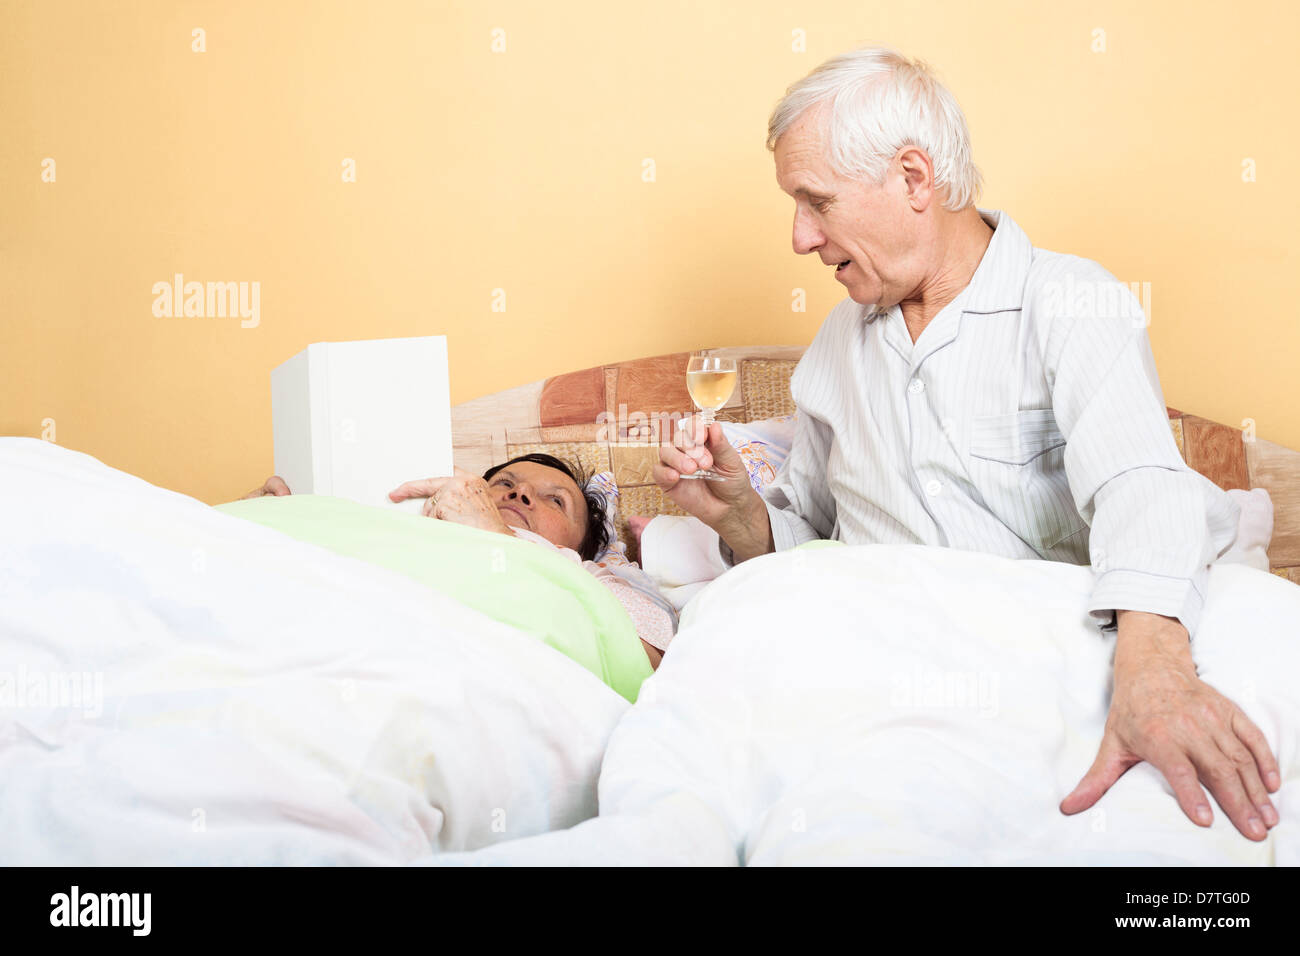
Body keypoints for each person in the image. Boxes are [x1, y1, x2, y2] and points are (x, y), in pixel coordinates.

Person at [655, 46, 1279, 841]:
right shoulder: (834, 350)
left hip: (1085, 640)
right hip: (912, 668)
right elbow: (810, 543)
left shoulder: (1068, 300)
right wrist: (741, 517)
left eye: (816, 202)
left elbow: (1140, 484)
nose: (799, 239)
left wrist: (1156, 671)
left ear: (914, 179)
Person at [244, 454, 674, 668]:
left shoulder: (598, 580)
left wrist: (501, 539)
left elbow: (648, 661)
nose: (520, 494)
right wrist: (271, 523)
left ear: (581, 550)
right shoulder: (409, 534)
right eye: (504, 483)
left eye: (554, 502)